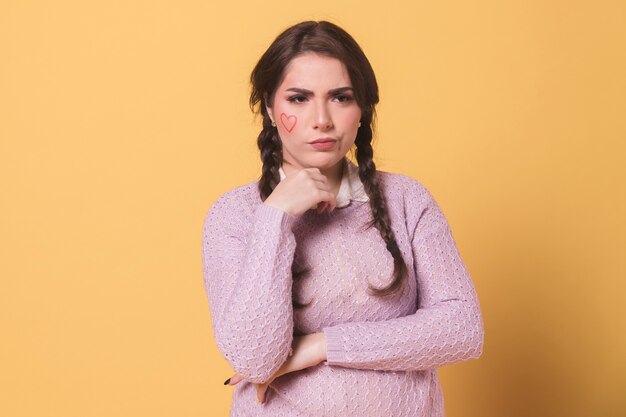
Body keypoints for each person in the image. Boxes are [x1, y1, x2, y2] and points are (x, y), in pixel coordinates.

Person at [201, 20, 484, 417]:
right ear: (269, 107)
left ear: (363, 108)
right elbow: (254, 361)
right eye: (298, 99)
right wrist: (276, 217)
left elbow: (461, 329)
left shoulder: (405, 199)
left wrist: (320, 347)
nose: (322, 119)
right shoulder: (235, 217)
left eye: (340, 97)